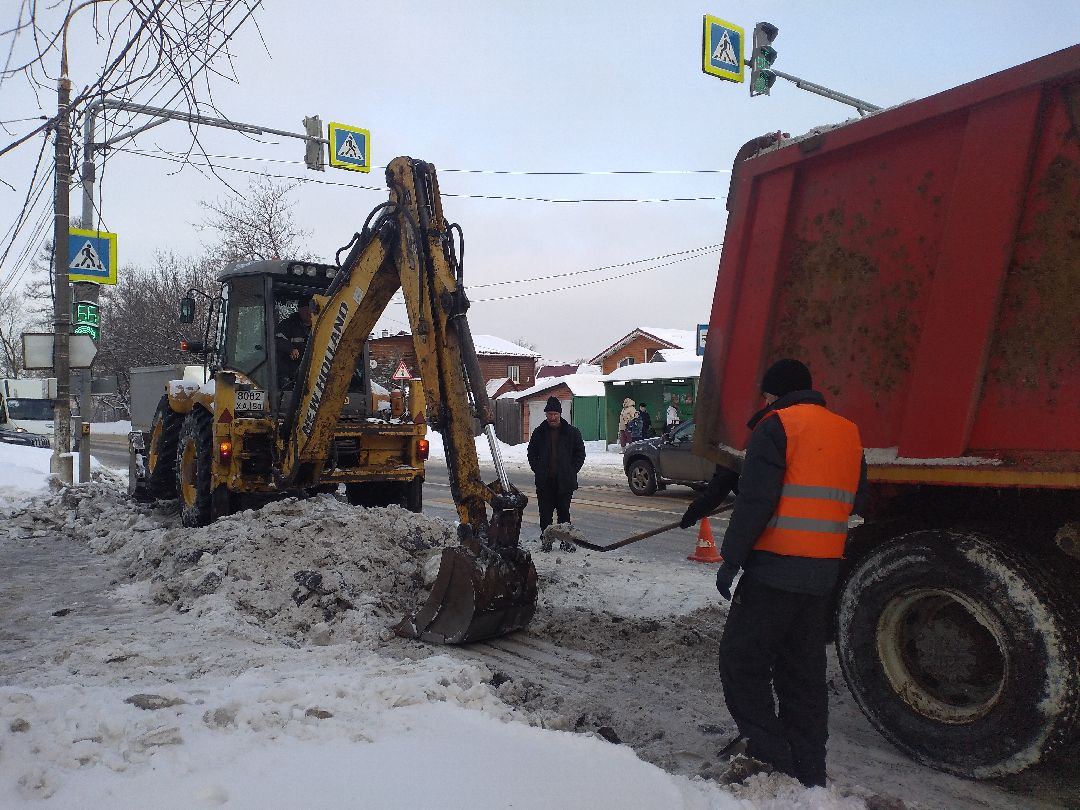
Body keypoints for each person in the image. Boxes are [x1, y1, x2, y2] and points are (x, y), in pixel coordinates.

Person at [690, 358, 867, 788]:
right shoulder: (847, 432)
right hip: (822, 575)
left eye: (767, 394)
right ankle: (810, 768)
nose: (765, 401)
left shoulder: (776, 427)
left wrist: (730, 559)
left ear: (776, 393)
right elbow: (856, 500)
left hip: (773, 572)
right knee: (803, 674)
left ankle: (773, 755)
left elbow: (755, 503)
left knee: (741, 662)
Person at [527, 396, 586, 552]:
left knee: (564, 514)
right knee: (545, 515)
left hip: (564, 482)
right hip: (545, 482)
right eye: (550, 414)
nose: (552, 417)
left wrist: (571, 470)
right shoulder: (539, 432)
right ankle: (547, 541)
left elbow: (580, 453)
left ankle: (565, 542)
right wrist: (538, 469)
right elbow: (531, 453)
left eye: (555, 414)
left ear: (560, 414)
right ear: (546, 414)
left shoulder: (571, 432)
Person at [275, 299, 314, 384]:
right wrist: (291, 349)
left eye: (310, 310)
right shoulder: (287, 325)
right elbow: (277, 341)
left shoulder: (321, 325)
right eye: (305, 310)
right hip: (291, 371)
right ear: (299, 311)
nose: (308, 313)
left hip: (313, 371)